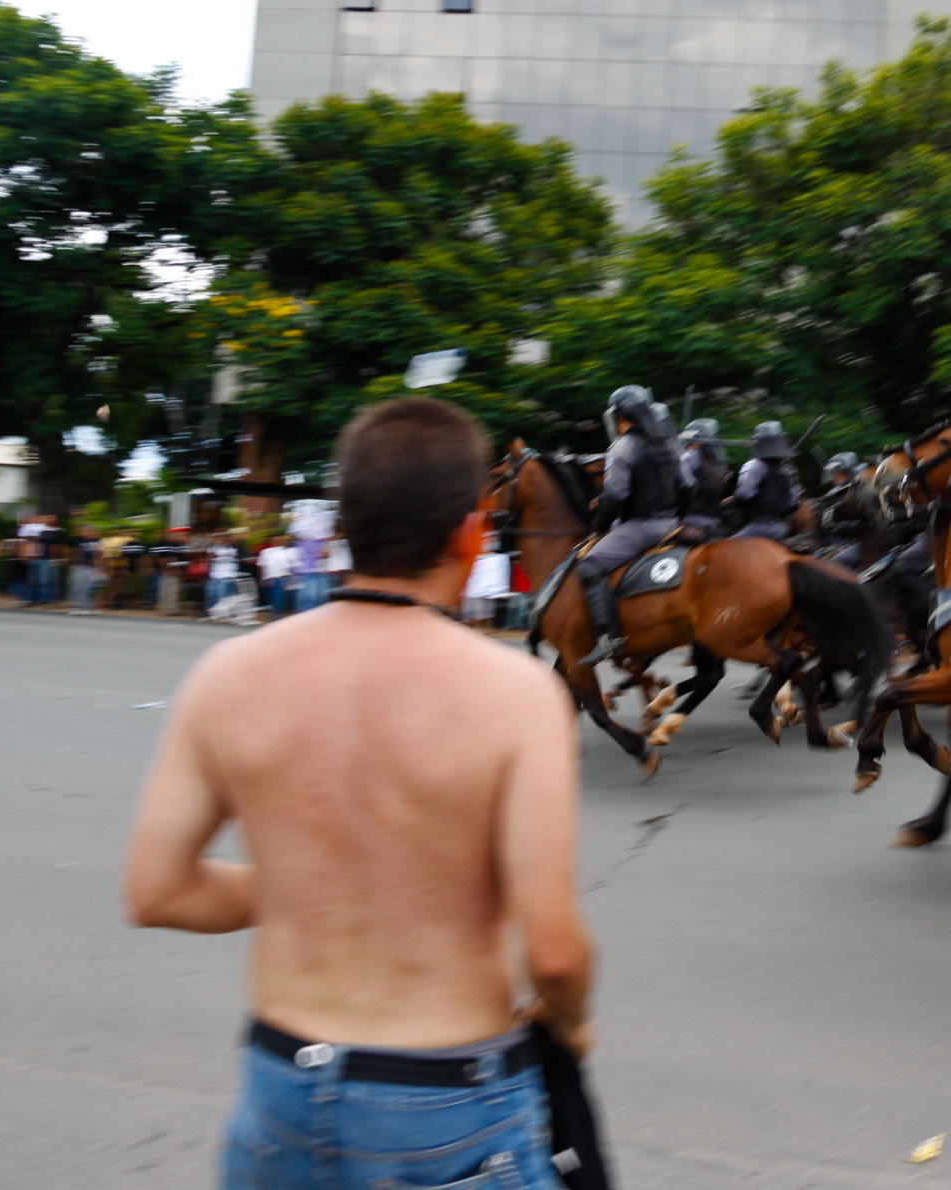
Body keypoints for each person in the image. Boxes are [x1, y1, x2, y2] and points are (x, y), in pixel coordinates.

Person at [123, 396, 596, 1190]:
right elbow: (552, 950)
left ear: (343, 527)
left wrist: (311, 882)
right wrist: (571, 1023)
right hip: (447, 1111)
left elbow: (157, 891)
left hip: (280, 1095)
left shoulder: (228, 677)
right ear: (472, 532)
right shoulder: (515, 693)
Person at [578, 384, 684, 664]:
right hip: (671, 522)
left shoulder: (623, 446)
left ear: (620, 416)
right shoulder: (671, 443)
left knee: (589, 566)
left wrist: (598, 528)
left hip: (642, 527)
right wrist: (678, 520)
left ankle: (607, 637)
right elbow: (688, 487)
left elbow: (615, 497)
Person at [726, 421, 800, 541]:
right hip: (782, 528)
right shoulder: (788, 469)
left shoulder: (754, 465)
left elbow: (745, 494)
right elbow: (794, 503)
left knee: (725, 549)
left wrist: (729, 503)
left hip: (758, 528)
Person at [677, 418, 729, 537]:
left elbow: (682, 485)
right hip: (714, 523)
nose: (689, 443)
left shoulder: (690, 456)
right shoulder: (720, 464)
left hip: (689, 521)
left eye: (692, 439)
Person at [814, 451, 867, 567]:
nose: (833, 476)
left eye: (834, 473)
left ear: (840, 471)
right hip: (842, 541)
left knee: (831, 565)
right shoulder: (858, 485)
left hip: (858, 540)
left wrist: (839, 527)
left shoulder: (851, 490)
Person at [67, 524, 104, 614]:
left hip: (90, 567)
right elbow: (72, 553)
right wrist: (72, 564)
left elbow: (98, 555)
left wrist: (98, 568)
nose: (88, 533)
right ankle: (78, 607)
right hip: (79, 567)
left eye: (90, 531)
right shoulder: (78, 541)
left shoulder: (96, 542)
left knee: (89, 588)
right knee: (79, 588)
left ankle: (88, 607)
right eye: (86, 531)